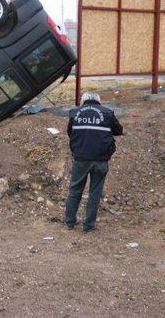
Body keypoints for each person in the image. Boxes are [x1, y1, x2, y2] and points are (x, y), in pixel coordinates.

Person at [65, 92, 123, 232]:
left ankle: (70, 221)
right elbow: (119, 131)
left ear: (83, 100)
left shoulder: (74, 112)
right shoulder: (107, 113)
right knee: (95, 192)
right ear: (99, 101)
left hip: (80, 158)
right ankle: (89, 226)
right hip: (100, 159)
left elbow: (69, 132)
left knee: (75, 189)